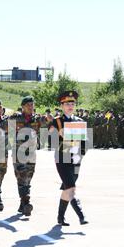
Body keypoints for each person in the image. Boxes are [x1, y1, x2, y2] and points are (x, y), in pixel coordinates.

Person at [49, 91, 89, 226]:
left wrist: (81, 154)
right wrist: (58, 135)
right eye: (67, 104)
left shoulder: (79, 121)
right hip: (62, 159)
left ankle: (60, 218)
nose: (70, 106)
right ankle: (81, 215)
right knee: (71, 188)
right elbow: (50, 142)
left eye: (72, 103)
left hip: (76, 159)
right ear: (62, 106)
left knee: (68, 189)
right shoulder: (57, 122)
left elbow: (84, 143)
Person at [10, 96, 47, 217]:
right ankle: (27, 203)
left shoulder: (37, 119)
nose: (31, 107)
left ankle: (22, 204)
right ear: (23, 107)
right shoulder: (15, 118)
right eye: (28, 105)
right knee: (21, 177)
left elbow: (49, 124)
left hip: (31, 153)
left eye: (32, 105)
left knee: (28, 178)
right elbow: (4, 129)